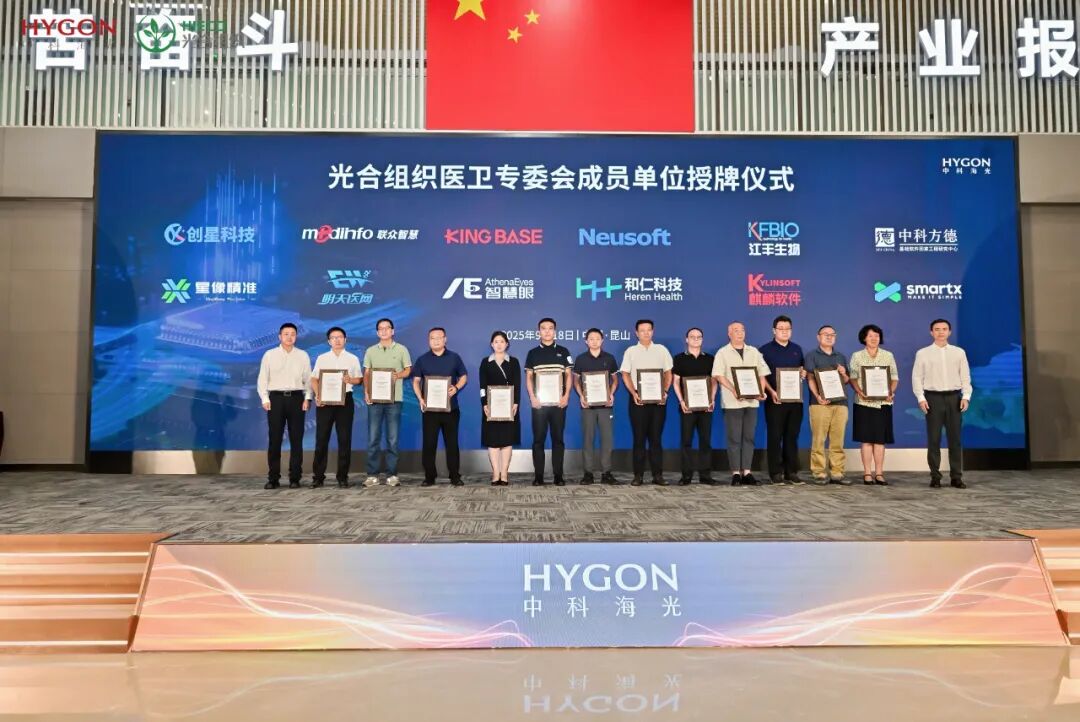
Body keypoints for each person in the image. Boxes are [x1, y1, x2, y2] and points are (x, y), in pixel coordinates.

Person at [912, 319, 973, 489]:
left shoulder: (959, 352)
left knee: (955, 439)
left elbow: (965, 376)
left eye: (944, 329)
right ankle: (935, 476)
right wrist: (921, 398)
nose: (941, 332)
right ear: (931, 332)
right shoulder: (923, 353)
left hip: (954, 398)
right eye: (937, 329)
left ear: (949, 332)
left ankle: (956, 477)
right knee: (934, 439)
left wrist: (966, 396)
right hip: (933, 398)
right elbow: (917, 377)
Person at [711, 322, 769, 486]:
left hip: (752, 402)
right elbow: (719, 375)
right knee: (734, 438)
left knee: (749, 437)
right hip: (732, 402)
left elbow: (762, 374)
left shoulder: (754, 351)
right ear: (729, 333)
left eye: (742, 330)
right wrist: (734, 390)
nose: (740, 333)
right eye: (736, 330)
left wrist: (760, 391)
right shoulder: (722, 352)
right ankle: (736, 473)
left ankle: (747, 472)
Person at [256, 322, 311, 490]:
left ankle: (295, 477)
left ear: (296, 336)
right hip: (276, 399)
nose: (289, 337)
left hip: (296, 398)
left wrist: (308, 398)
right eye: (286, 334)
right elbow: (262, 378)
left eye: (293, 334)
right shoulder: (269, 355)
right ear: (279, 336)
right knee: (275, 440)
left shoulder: (302, 355)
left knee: (296, 440)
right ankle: (273, 478)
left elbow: (308, 379)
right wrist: (265, 398)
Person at [411, 327, 468, 487]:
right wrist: (420, 398)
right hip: (430, 410)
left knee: (452, 444)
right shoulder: (422, 359)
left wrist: (456, 387)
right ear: (428, 340)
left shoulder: (454, 357)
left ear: (445, 339)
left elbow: (464, 376)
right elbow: (416, 381)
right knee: (429, 443)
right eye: (432, 338)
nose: (435, 340)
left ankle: (454, 475)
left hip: (451, 409)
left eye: (439, 337)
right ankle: (429, 476)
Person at [620, 319, 673, 486]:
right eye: (642, 330)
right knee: (639, 439)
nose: (646, 333)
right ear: (636, 333)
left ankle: (658, 475)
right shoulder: (631, 351)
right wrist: (634, 393)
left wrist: (665, 392)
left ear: (653, 331)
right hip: (638, 401)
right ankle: (638, 476)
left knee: (656, 439)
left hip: (658, 401)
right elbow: (625, 374)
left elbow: (668, 373)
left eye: (649, 330)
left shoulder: (661, 350)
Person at [310, 326, 363, 488]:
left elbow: (359, 379)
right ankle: (318, 477)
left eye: (340, 337)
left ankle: (342, 477)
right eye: (333, 337)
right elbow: (314, 379)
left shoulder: (353, 358)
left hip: (345, 401)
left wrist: (350, 380)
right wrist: (318, 395)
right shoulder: (322, 358)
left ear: (345, 339)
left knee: (344, 439)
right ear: (329, 341)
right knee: (321, 439)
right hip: (325, 401)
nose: (337, 340)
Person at [524, 318, 574, 486]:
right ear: (538, 331)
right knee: (538, 440)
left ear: (555, 331)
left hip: (558, 404)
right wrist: (532, 397)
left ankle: (558, 476)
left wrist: (566, 396)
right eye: (543, 328)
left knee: (558, 440)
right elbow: (529, 377)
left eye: (550, 328)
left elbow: (569, 375)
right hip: (539, 405)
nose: (547, 331)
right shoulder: (532, 353)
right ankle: (538, 476)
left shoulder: (563, 351)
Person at [362, 318, 412, 487]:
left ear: (393, 331)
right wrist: (366, 392)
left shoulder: (402, 349)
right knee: (373, 438)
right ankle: (372, 475)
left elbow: (408, 370)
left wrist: (398, 375)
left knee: (392, 439)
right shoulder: (370, 351)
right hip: (375, 400)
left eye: (387, 328)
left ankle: (392, 474)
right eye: (381, 329)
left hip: (394, 400)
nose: (384, 331)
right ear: (377, 332)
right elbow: (367, 373)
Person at [848, 324, 899, 486]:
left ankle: (879, 473)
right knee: (866, 440)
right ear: (864, 338)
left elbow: (894, 377)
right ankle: (867, 473)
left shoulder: (888, 355)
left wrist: (890, 392)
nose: (874, 338)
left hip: (883, 403)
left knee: (880, 440)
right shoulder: (857, 356)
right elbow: (853, 377)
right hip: (863, 402)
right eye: (870, 336)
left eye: (876, 335)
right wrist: (859, 391)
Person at [759, 315, 806, 484]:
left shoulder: (797, 349)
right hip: (775, 400)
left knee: (792, 436)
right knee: (775, 436)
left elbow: (802, 369)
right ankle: (775, 472)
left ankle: (791, 471)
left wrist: (803, 373)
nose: (784, 332)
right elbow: (761, 376)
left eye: (788, 329)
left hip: (795, 401)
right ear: (774, 330)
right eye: (781, 329)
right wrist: (771, 392)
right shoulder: (764, 350)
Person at [804, 325, 851, 485]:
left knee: (838, 440)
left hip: (841, 403)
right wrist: (817, 396)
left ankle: (837, 472)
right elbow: (810, 378)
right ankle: (819, 472)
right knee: (819, 439)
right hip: (819, 404)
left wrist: (843, 373)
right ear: (818, 337)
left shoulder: (841, 357)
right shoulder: (812, 355)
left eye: (832, 335)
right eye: (826, 334)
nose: (829, 337)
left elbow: (846, 380)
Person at [573, 328, 620, 485]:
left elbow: (615, 380)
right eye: (591, 339)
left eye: (597, 338)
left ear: (602, 340)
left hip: (605, 406)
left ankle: (607, 473)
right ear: (586, 341)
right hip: (587, 406)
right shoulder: (580, 359)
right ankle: (588, 473)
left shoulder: (609, 358)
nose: (594, 341)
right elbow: (576, 380)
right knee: (588, 440)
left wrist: (611, 394)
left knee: (607, 440)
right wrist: (581, 396)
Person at [672, 328, 717, 485]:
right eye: (692, 337)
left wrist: (712, 399)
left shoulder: (710, 359)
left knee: (705, 441)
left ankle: (705, 475)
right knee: (686, 441)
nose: (696, 339)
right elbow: (675, 382)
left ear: (702, 339)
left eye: (699, 337)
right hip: (687, 407)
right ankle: (686, 476)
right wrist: (681, 401)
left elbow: (714, 381)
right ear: (686, 339)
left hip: (706, 407)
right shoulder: (679, 358)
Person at [479, 331, 521, 486]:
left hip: (509, 407)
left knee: (507, 440)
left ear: (507, 344)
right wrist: (484, 403)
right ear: (492, 344)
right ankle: (495, 473)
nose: (499, 344)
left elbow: (517, 384)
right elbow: (482, 386)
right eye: (496, 341)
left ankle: (504, 474)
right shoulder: (485, 362)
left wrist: (516, 403)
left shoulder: (514, 362)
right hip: (491, 408)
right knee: (493, 441)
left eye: (502, 341)